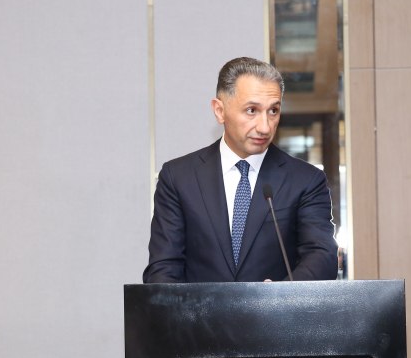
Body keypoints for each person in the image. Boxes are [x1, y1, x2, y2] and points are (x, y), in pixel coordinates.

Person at [143, 57, 338, 283]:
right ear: (219, 111)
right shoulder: (178, 178)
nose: (265, 127)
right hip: (199, 308)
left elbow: (322, 257)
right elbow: (162, 269)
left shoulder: (306, 180)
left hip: (277, 307)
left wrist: (280, 296)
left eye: (273, 111)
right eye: (252, 110)